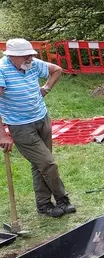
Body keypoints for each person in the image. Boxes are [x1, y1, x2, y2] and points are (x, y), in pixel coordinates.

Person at [0, 39, 74, 218]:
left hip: (42, 118)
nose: (30, 58)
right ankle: (62, 198)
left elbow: (56, 70)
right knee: (48, 164)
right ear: (12, 57)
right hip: (20, 126)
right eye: (25, 55)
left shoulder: (31, 65)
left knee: (40, 164)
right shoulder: (2, 71)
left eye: (31, 55)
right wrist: (2, 134)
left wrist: (46, 88)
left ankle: (43, 204)